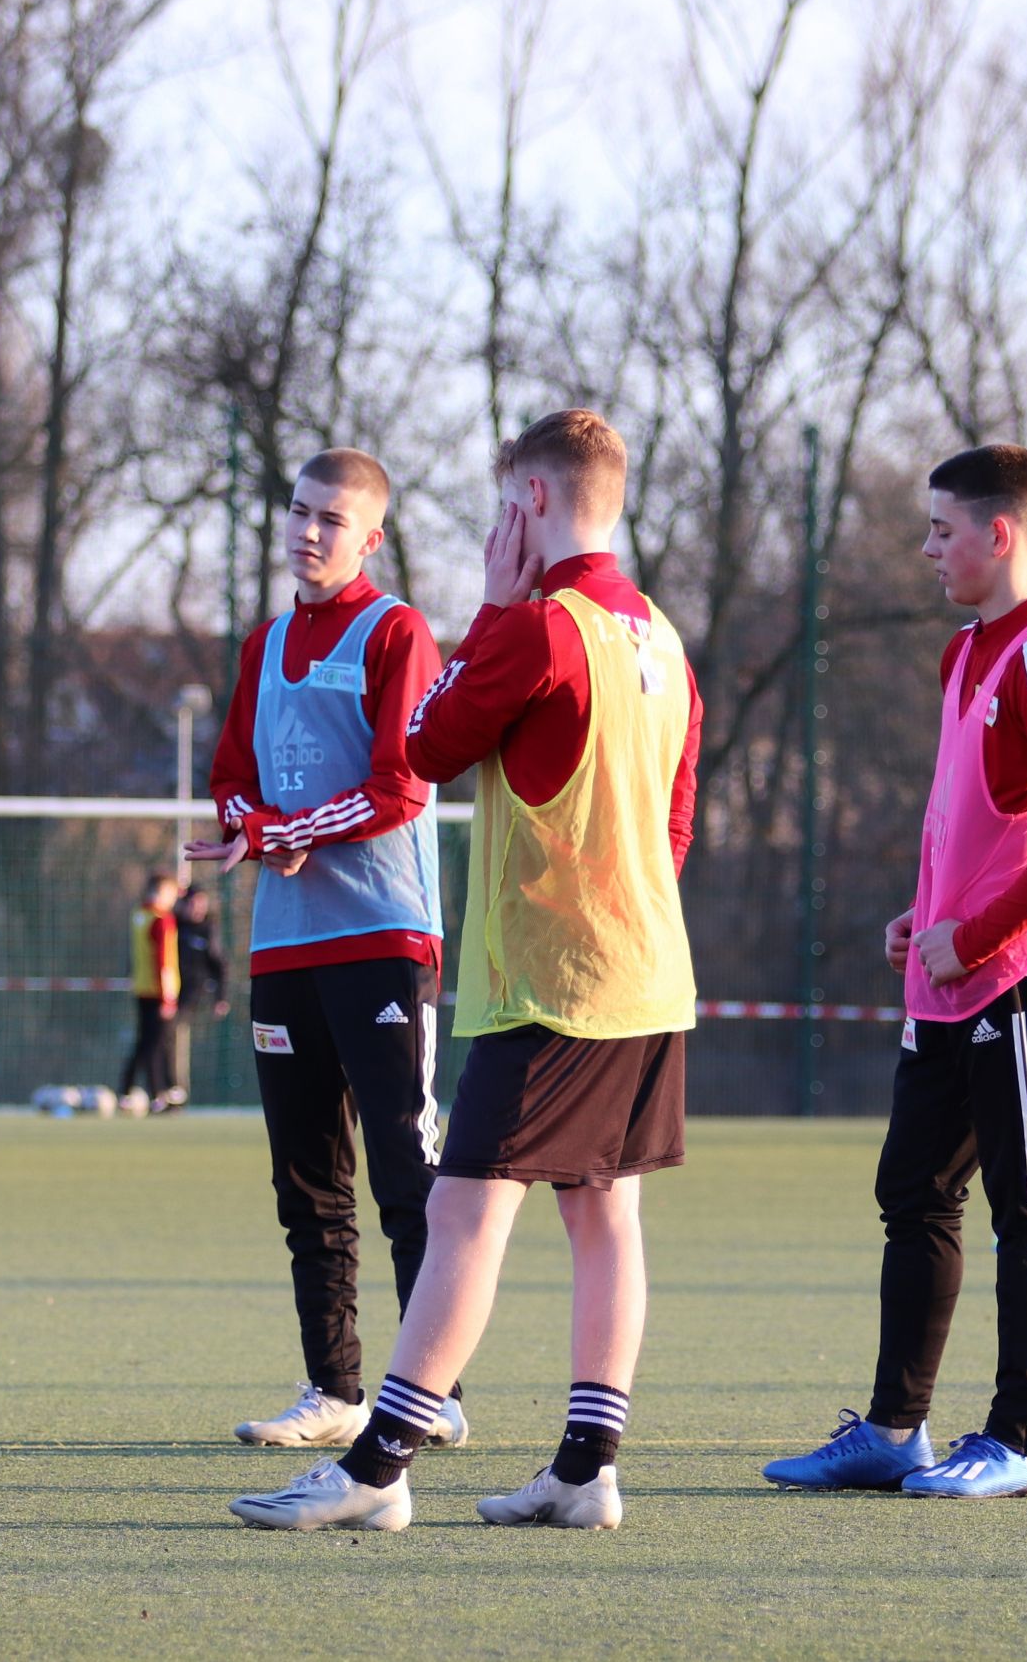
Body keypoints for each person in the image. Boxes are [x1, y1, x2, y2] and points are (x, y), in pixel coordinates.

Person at [230, 408, 700, 1533]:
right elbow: (677, 823)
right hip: (649, 970)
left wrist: (493, 606)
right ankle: (587, 1467)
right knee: (602, 1217)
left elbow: (428, 748)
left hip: (555, 977)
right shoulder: (662, 639)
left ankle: (378, 1465)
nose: (498, 531)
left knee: (462, 1214)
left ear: (532, 503)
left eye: (504, 508)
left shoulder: (542, 628)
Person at [758, 444, 1027, 1502]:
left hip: (1023, 974)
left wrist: (986, 928)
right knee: (912, 1190)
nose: (927, 549)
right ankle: (893, 1427)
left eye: (942, 529)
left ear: (1000, 533)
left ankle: (1017, 1439)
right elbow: (982, 814)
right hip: (951, 973)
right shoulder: (967, 653)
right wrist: (931, 914)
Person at [188, 447, 462, 1449]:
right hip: (285, 949)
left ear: (370, 537)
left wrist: (281, 833)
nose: (307, 531)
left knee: (401, 1162)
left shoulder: (398, 633)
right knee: (305, 1177)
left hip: (383, 936)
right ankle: (336, 1388)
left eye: (330, 519)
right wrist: (245, 821)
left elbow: (403, 785)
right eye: (298, 511)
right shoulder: (263, 645)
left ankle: (435, 1390)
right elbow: (229, 774)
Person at [160, 883, 229, 1112]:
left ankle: (173, 1090)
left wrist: (221, 997)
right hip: (168, 989)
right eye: (192, 903)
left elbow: (219, 965)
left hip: (192, 993)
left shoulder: (208, 929)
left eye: (201, 903)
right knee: (159, 1037)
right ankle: (166, 1090)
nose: (197, 908)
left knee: (168, 1033)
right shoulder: (173, 924)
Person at [118, 873, 182, 1109]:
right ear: (162, 892)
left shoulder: (138, 914)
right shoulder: (162, 919)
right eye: (172, 893)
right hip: (158, 992)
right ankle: (158, 1095)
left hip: (142, 988)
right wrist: (168, 998)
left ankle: (126, 1090)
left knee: (144, 1042)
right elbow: (163, 960)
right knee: (156, 1044)